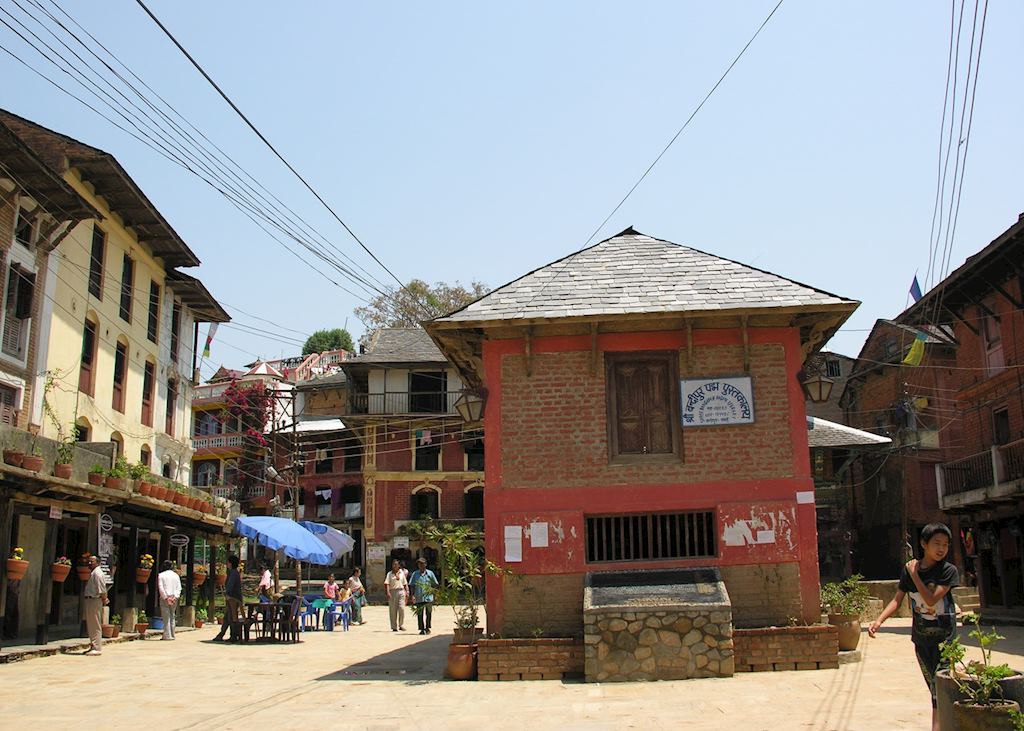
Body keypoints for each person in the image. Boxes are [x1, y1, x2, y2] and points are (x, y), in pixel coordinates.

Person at [868, 523, 958, 731]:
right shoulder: (908, 571)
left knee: (939, 688)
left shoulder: (948, 571)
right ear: (924, 544)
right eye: (936, 543)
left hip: (945, 641)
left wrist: (915, 574)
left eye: (945, 544)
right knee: (933, 689)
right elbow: (897, 600)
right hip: (921, 641)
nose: (941, 548)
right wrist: (879, 621)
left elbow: (930, 598)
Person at [82, 554, 108, 655]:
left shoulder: (98, 573)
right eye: (89, 561)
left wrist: (104, 599)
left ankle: (97, 647)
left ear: (97, 563)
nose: (89, 563)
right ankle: (93, 645)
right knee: (91, 624)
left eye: (91, 561)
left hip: (94, 600)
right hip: (90, 600)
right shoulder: (93, 573)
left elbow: (102, 589)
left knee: (95, 624)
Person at [213, 555, 243, 642]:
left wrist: (227, 593)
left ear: (230, 563)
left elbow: (230, 586)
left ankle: (233, 635)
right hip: (233, 598)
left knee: (231, 617)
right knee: (227, 617)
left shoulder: (233, 573)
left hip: (233, 598)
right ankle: (221, 634)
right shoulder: (234, 573)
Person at [409, 557, 439, 635]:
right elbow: (412, 585)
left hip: (428, 597)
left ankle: (427, 628)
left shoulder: (430, 573)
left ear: (425, 564)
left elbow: (435, 584)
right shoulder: (415, 574)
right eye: (419, 564)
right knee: (420, 614)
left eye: (422, 563)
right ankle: (421, 628)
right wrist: (412, 596)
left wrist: (435, 594)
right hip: (419, 596)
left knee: (428, 613)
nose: (421, 565)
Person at [157, 560, 182, 640]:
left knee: (166, 616)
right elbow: (179, 588)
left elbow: (161, 588)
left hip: (165, 597)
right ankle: (172, 634)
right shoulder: (176, 576)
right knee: (172, 616)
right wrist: (175, 596)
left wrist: (166, 597)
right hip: (174, 598)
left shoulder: (161, 575)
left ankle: (167, 635)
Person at [385, 559, 409, 631]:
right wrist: (388, 592)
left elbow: (405, 583)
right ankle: (394, 626)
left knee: (401, 608)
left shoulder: (402, 573)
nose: (395, 566)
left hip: (401, 591)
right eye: (393, 564)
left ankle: (401, 625)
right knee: (393, 610)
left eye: (396, 564)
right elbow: (387, 584)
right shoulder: (389, 574)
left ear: (399, 565)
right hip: (392, 592)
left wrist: (407, 591)